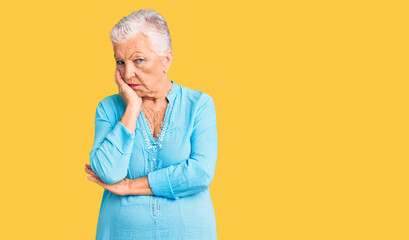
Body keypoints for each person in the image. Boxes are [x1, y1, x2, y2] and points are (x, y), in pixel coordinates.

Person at [84, 9, 218, 240]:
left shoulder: (199, 104)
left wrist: (128, 187)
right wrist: (132, 108)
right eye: (120, 62)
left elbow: (200, 173)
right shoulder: (108, 108)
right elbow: (108, 172)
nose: (128, 73)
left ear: (166, 59)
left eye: (138, 60)